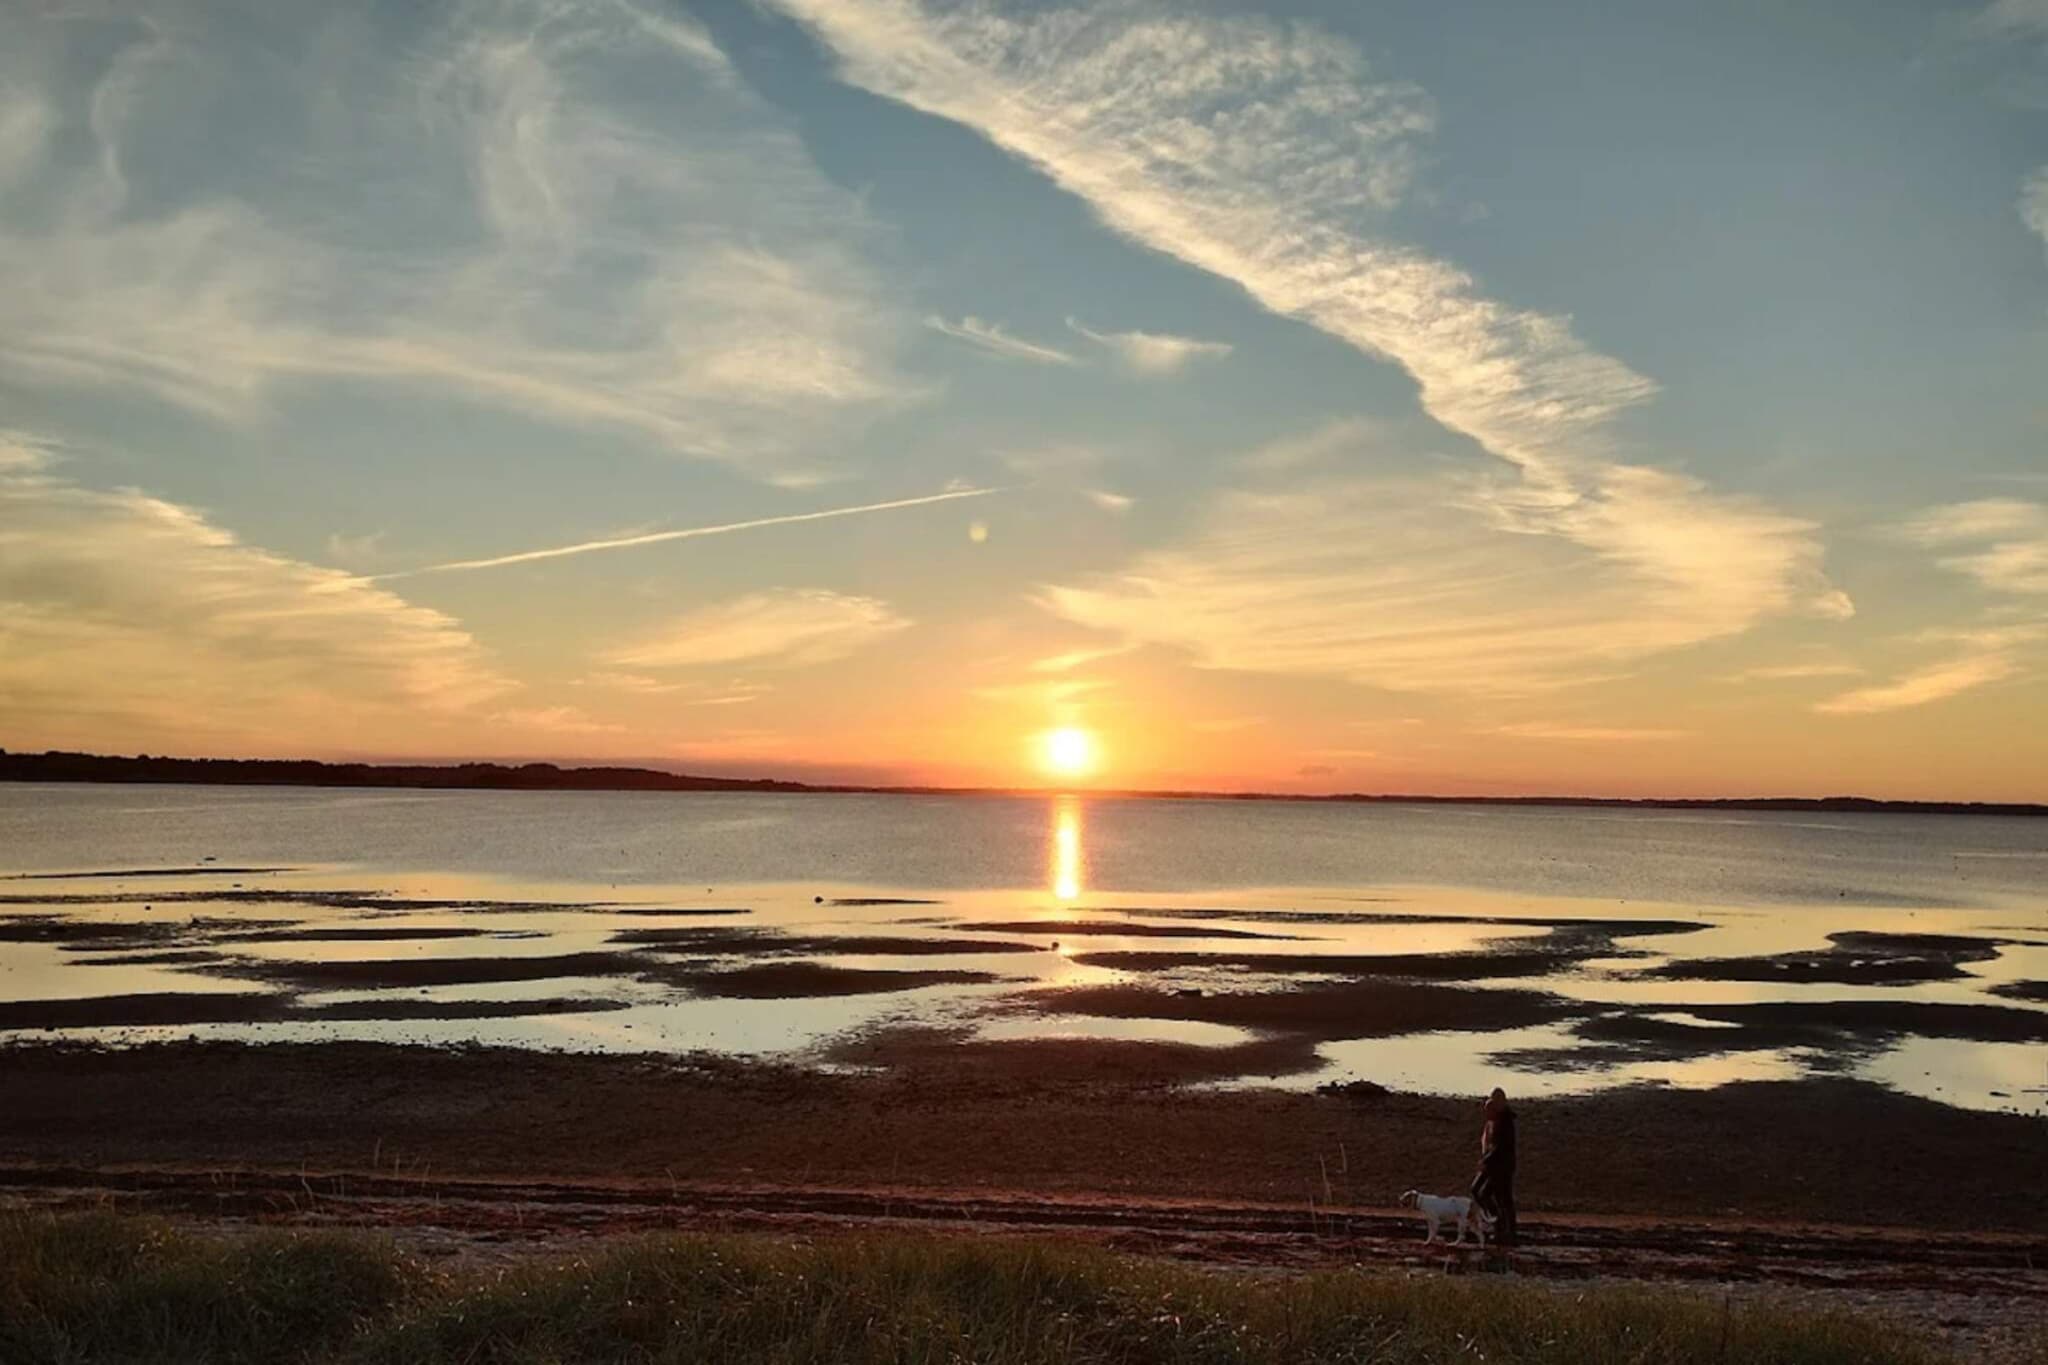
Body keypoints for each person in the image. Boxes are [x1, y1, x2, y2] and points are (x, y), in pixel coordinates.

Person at [1470, 1086, 1518, 1247]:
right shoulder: (1494, 1120)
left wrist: (1485, 1161)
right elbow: (1489, 1143)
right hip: (1493, 1164)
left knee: (1501, 1199)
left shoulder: (1505, 1123)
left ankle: (1504, 1230)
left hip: (1501, 1166)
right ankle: (1499, 1226)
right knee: (1479, 1191)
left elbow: (1501, 1147)